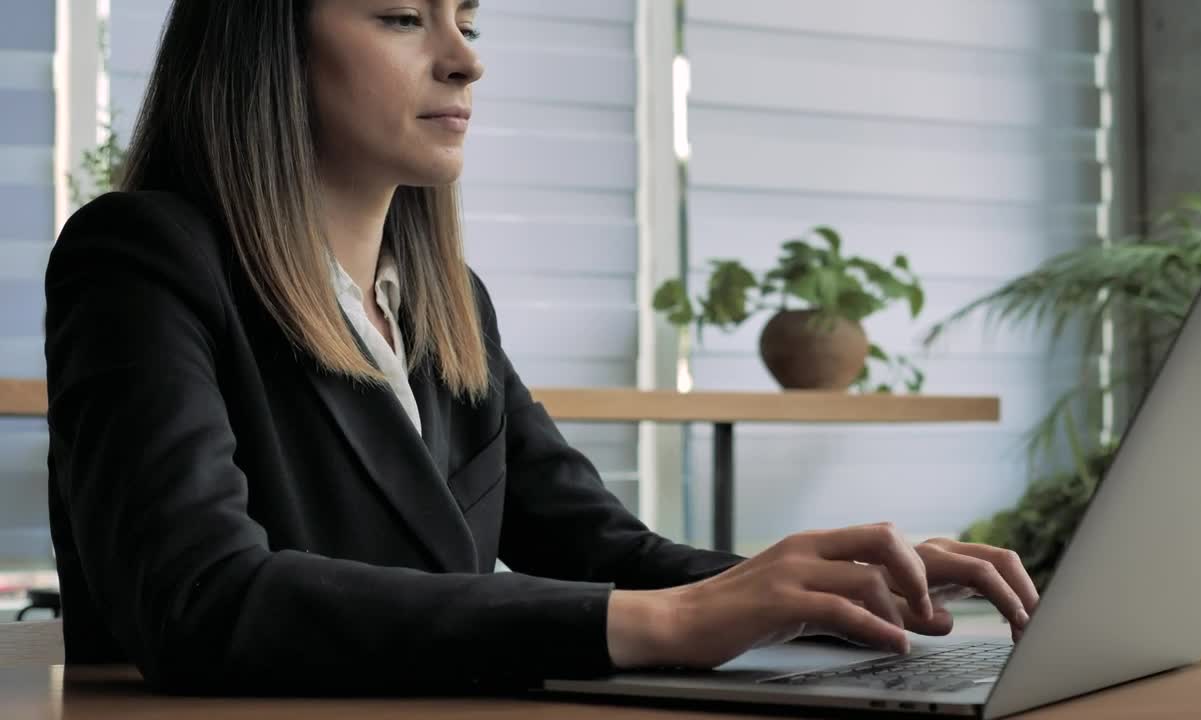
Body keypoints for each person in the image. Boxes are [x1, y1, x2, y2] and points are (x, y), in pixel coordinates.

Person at [44, 0, 1038, 695]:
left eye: (468, 21)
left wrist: (830, 594)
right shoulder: (141, 257)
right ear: (266, 45)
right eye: (402, 18)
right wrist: (664, 624)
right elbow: (201, 601)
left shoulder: (448, 307)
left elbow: (603, 549)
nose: (465, 59)